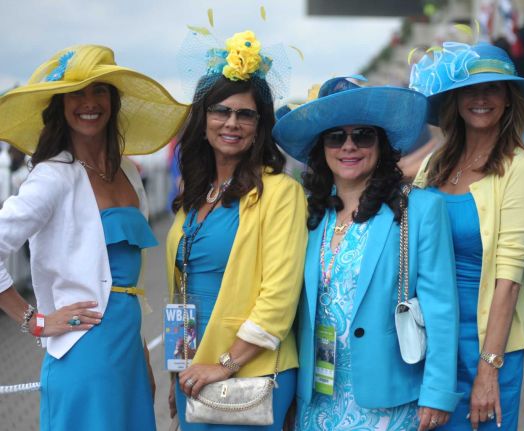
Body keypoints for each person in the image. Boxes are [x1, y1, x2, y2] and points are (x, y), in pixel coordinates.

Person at [0, 45, 188, 430]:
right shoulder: (53, 175)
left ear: (113, 100)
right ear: (61, 104)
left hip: (129, 350)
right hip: (83, 352)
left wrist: (141, 357)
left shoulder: (127, 172)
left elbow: (122, 286)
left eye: (99, 90)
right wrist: (33, 322)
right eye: (77, 92)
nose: (89, 102)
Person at [273, 76, 461, 431]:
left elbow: (441, 308)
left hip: (391, 402)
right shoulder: (307, 214)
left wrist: (437, 393)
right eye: (335, 136)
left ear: (382, 143)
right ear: (320, 147)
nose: (349, 146)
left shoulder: (419, 209)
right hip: (317, 403)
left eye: (363, 135)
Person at [166, 30, 308, 431]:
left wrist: (225, 364)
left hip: (248, 373)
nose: (232, 123)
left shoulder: (281, 193)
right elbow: (180, 289)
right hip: (192, 372)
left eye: (245, 114)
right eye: (221, 111)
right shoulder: (192, 193)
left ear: (260, 125)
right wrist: (174, 371)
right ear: (204, 118)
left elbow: (279, 297)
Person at [409, 41, 524, 431]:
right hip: (429, 339)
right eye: (471, 89)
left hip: (485, 343)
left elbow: (510, 278)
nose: (481, 98)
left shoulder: (519, 167)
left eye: (493, 88)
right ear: (454, 100)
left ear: (509, 99)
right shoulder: (434, 163)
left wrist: (488, 370)